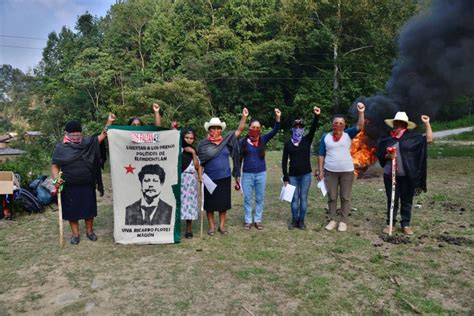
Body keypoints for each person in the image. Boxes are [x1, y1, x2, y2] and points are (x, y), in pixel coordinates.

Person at [51, 115, 115, 245]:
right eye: (72, 133)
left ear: (81, 132)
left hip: (87, 183)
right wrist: (56, 179)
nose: (75, 135)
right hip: (69, 185)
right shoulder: (61, 148)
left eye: (77, 132)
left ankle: (90, 232)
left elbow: (103, 135)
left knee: (88, 209)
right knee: (72, 211)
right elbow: (55, 166)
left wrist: (109, 122)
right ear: (66, 133)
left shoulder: (88, 143)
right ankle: (75, 235)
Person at [377, 112, 433, 235]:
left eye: (401, 123)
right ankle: (390, 223)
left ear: (405, 125)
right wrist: (388, 155)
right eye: (396, 123)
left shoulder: (412, 138)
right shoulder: (387, 138)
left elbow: (429, 139)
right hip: (389, 175)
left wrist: (427, 123)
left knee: (407, 200)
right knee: (392, 200)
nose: (398, 125)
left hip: (407, 175)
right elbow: (380, 155)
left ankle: (405, 224)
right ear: (394, 124)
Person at [198, 108, 249, 236]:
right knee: (210, 205)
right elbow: (200, 163)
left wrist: (244, 116)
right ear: (209, 130)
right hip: (209, 178)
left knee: (223, 204)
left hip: (224, 177)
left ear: (221, 129)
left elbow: (240, 130)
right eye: (213, 128)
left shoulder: (226, 141)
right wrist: (199, 176)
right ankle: (211, 227)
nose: (216, 130)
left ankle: (221, 226)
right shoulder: (203, 145)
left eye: (218, 128)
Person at [318, 102, 365, 232]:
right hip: (330, 172)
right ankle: (332, 219)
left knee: (345, 197)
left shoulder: (348, 134)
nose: (338, 125)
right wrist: (321, 171)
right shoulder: (325, 137)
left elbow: (360, 126)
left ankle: (343, 221)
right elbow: (321, 155)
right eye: (335, 123)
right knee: (332, 197)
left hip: (347, 172)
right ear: (332, 124)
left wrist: (361, 112)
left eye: (341, 123)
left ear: (344, 125)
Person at [240, 108, 281, 230]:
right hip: (247, 174)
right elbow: (239, 158)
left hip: (261, 174)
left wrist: (278, 118)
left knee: (260, 198)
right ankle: (248, 220)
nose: (255, 129)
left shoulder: (263, 139)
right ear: (249, 127)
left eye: (258, 128)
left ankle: (257, 220)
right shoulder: (244, 141)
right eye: (253, 127)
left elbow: (275, 131)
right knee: (247, 198)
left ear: (260, 129)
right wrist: (237, 174)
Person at [282, 106, 321, 230]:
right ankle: (294, 220)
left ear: (303, 129)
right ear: (292, 129)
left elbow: (314, 128)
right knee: (294, 199)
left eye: (300, 127)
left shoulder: (306, 140)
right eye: (296, 127)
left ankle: (301, 221)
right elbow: (284, 161)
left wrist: (317, 116)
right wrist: (285, 176)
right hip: (293, 176)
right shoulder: (288, 144)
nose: (298, 129)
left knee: (303, 198)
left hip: (305, 175)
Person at [180, 129, 200, 239]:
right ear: (183, 137)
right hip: (180, 179)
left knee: (190, 203)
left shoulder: (194, 150)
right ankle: (175, 228)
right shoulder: (179, 149)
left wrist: (192, 153)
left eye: (191, 138)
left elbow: (197, 166)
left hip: (191, 179)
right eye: (187, 137)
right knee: (179, 202)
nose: (189, 140)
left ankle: (189, 229)